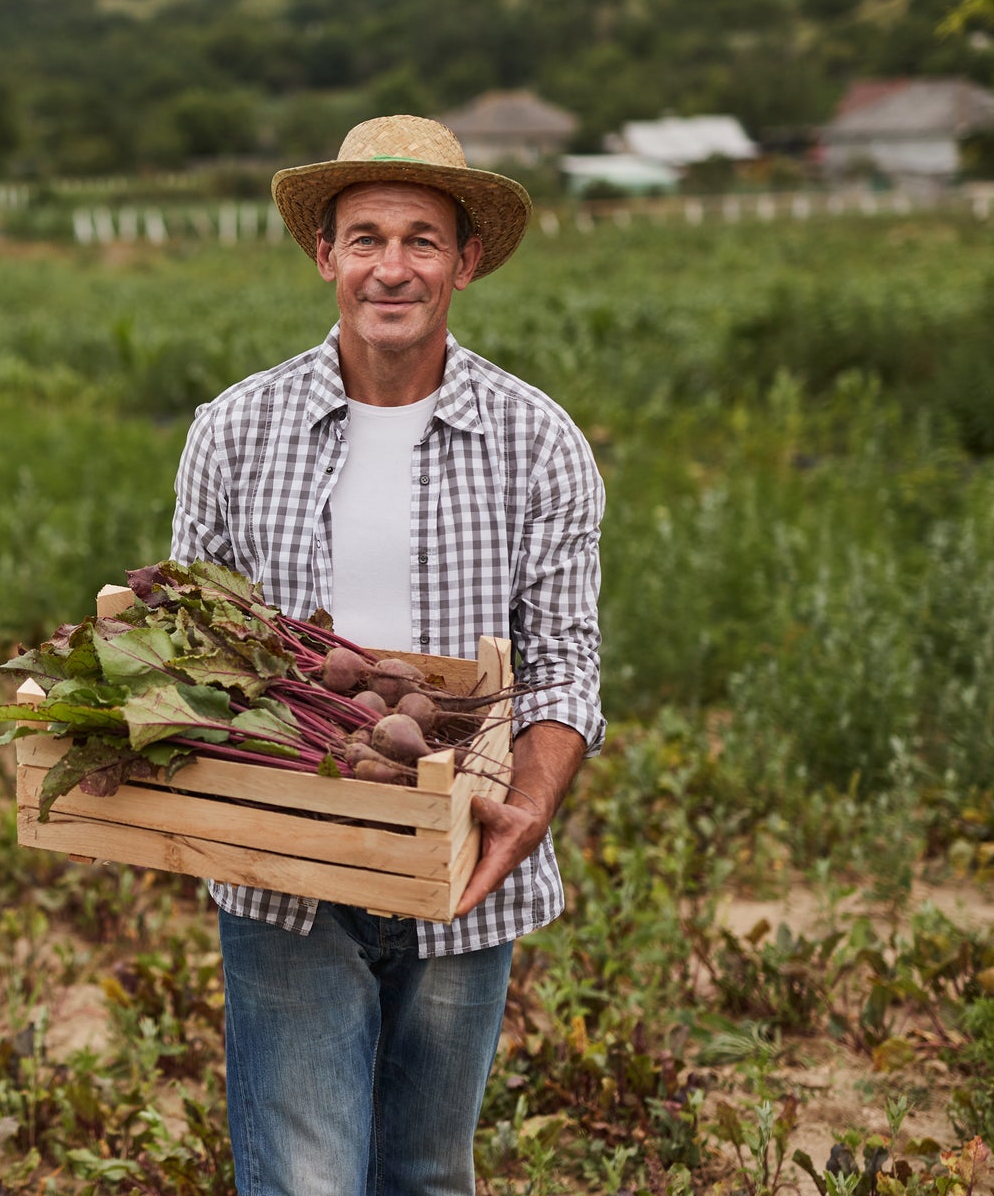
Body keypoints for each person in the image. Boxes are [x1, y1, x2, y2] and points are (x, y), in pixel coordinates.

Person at [169, 115, 605, 1195]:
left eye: (421, 238)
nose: (390, 266)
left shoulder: (536, 440)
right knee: (305, 1180)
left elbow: (562, 668)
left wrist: (528, 810)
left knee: (423, 1174)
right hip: (284, 878)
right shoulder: (233, 429)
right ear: (324, 256)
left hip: (460, 873)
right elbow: (186, 650)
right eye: (364, 236)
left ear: (464, 261)